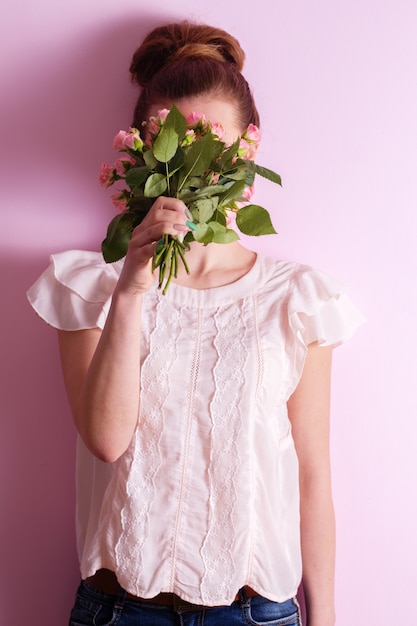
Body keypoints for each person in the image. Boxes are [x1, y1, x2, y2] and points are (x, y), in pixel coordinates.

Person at [27, 21, 364, 626]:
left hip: (257, 612)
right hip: (119, 610)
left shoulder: (298, 300)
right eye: (175, 144)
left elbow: (312, 475)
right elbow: (105, 442)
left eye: (212, 141)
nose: (196, 164)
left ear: (248, 146)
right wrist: (132, 288)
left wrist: (328, 617)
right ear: (143, 150)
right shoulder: (90, 287)